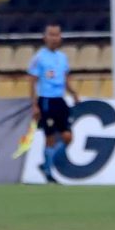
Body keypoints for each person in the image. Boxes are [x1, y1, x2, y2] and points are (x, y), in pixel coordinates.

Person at [28, 22, 79, 184]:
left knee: (68, 137)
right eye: (51, 34)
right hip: (46, 101)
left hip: (60, 100)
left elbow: (65, 79)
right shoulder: (39, 57)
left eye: (57, 35)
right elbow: (32, 81)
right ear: (45, 37)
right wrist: (34, 105)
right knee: (49, 137)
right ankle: (49, 173)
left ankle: (46, 164)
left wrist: (74, 93)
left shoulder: (62, 57)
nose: (54, 38)